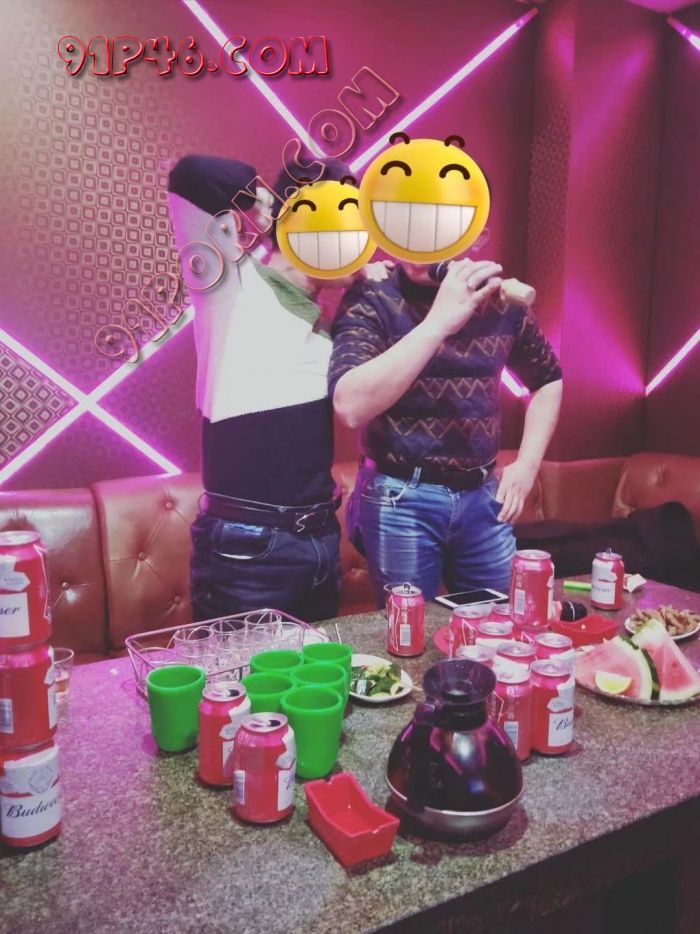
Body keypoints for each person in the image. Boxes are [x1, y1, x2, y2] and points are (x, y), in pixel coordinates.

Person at [168, 153, 360, 622]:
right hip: (248, 547)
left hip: (318, 539)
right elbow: (190, 177)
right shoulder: (231, 282)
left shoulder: (329, 325)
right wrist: (262, 201)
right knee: (240, 675)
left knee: (317, 673)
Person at [329, 257, 563, 603]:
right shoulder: (373, 294)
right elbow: (350, 407)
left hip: (482, 494)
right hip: (400, 496)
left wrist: (528, 464)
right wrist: (438, 323)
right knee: (410, 627)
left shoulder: (501, 298)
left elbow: (548, 378)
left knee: (500, 621)